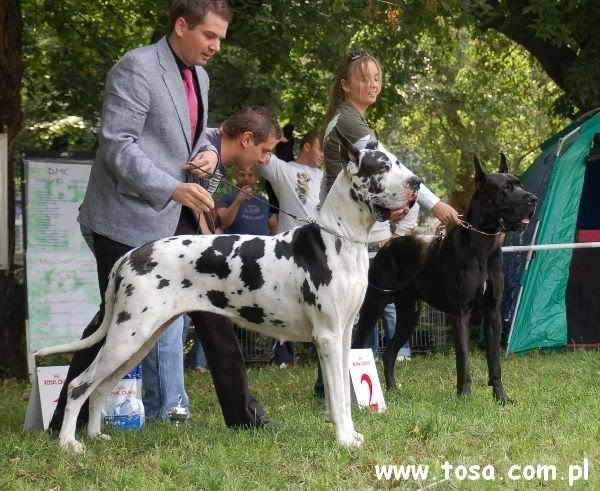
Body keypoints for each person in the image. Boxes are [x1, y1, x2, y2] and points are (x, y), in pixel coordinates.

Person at [50, 0, 273, 431]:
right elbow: (118, 146)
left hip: (177, 211)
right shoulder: (136, 68)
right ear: (181, 25)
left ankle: (244, 419)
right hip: (125, 214)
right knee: (115, 322)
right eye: (209, 35)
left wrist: (209, 155)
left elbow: (199, 139)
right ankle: (64, 422)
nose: (216, 46)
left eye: (221, 38)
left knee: (216, 309)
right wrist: (172, 187)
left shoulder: (201, 77)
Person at [313, 49, 461, 399]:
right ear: (345, 84)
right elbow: (394, 170)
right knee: (349, 311)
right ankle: (333, 389)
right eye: (365, 78)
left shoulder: (353, 120)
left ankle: (331, 387)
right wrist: (435, 204)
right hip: (340, 231)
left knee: (348, 310)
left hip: (345, 227)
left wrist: (385, 209)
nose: (373, 84)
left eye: (377, 78)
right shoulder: (348, 122)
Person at [256, 130, 324, 365]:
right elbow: (259, 155)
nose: (323, 155)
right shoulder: (284, 170)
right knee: (285, 302)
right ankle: (282, 357)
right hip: (291, 252)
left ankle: (319, 355)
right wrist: (274, 139)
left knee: (320, 303)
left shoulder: (325, 177)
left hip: (320, 252)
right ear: (306, 146)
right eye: (320, 148)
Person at [216, 165, 277, 235]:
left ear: (255, 178)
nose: (246, 178)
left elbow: (274, 225)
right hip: (238, 242)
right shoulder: (227, 198)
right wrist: (238, 201)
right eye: (242, 175)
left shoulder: (263, 200)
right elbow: (222, 223)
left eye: (250, 175)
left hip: (262, 242)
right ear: (237, 177)